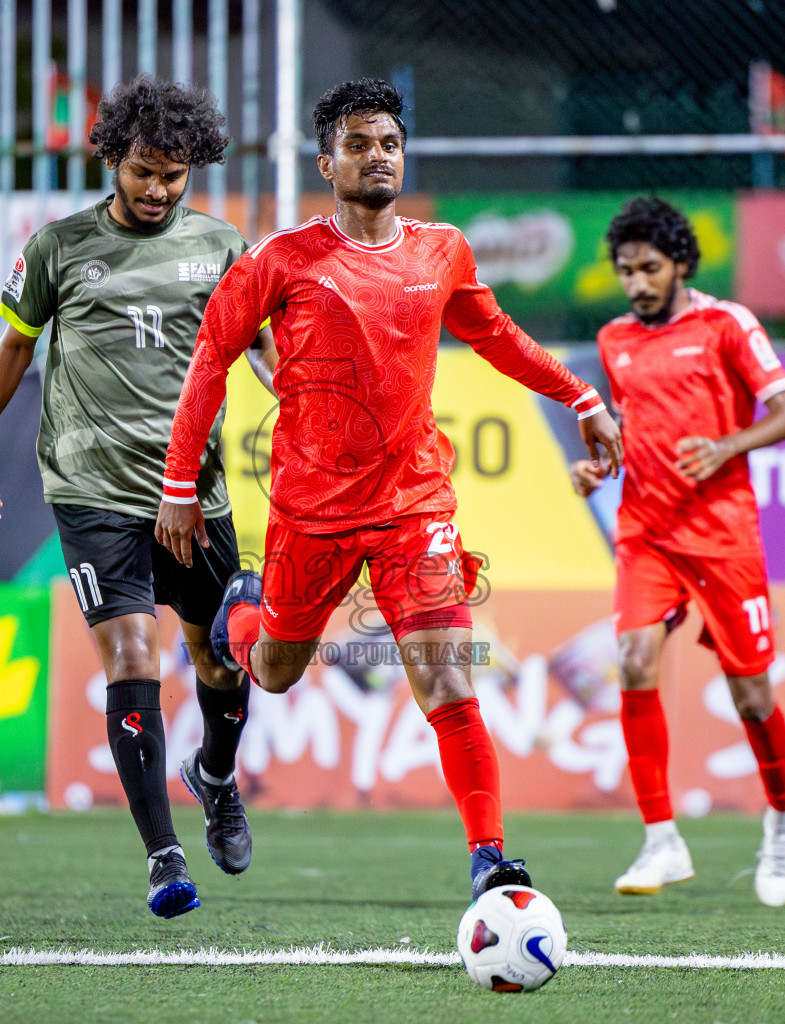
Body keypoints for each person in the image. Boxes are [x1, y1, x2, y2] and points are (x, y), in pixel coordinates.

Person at [155, 78, 623, 901]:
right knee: (273, 671)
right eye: (361, 143)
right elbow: (209, 363)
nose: (380, 156)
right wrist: (179, 484)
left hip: (416, 511)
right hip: (312, 515)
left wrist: (583, 397)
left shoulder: (441, 250)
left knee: (446, 678)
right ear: (326, 160)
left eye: (391, 143)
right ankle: (241, 608)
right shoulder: (279, 260)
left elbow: (501, 339)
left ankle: (490, 857)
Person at [0, 76, 275, 919]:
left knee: (219, 658)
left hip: (195, 493)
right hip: (93, 490)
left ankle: (216, 774)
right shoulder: (58, 248)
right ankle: (164, 856)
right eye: (142, 171)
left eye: (174, 175)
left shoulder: (223, 246)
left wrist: (308, 418)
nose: (158, 189)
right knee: (133, 659)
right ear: (111, 159)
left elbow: (266, 353)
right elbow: (14, 352)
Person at [570, 196, 785, 907]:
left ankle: (783, 817)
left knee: (751, 691)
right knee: (636, 659)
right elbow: (631, 427)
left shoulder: (727, 324)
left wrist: (728, 446)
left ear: (680, 265)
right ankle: (661, 838)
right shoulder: (614, 339)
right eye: (625, 271)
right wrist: (600, 467)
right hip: (646, 532)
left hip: (724, 535)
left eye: (649, 268)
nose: (637, 283)